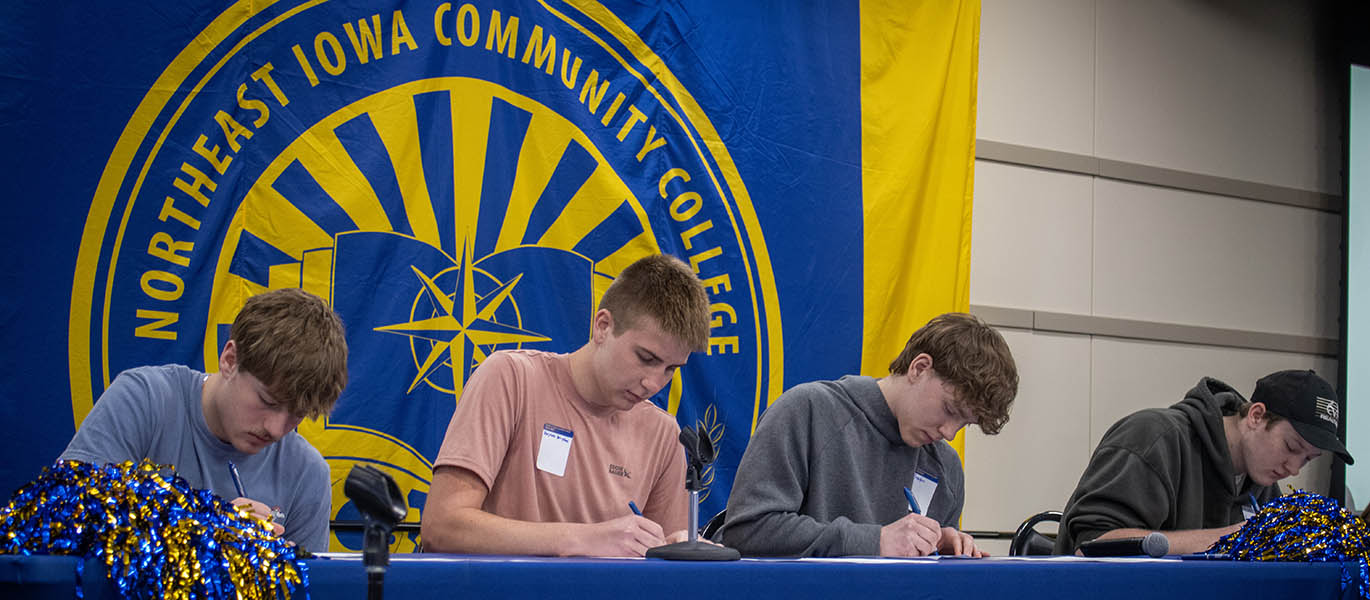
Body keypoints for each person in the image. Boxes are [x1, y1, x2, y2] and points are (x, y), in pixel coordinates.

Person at [420, 254, 711, 556]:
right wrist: (583, 539)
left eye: (671, 368)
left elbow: (665, 571)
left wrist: (677, 550)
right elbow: (441, 527)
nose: (654, 383)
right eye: (646, 358)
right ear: (603, 327)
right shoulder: (510, 379)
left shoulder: (663, 433)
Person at [59, 288, 348, 551]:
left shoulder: (306, 473)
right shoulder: (144, 399)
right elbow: (60, 514)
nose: (275, 429)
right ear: (230, 360)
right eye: (267, 401)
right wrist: (201, 525)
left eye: (296, 415)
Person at [716, 312, 1018, 557]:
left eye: (964, 424)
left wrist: (940, 550)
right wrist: (875, 541)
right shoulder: (807, 410)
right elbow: (747, 531)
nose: (949, 433)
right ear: (919, 367)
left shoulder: (946, 467)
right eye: (951, 410)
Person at [1054, 369, 1353, 555]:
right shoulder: (1155, 439)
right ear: (1256, 416)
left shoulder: (1262, 484)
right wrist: (1234, 538)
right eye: (1291, 447)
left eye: (1308, 460)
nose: (1294, 468)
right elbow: (1092, 546)